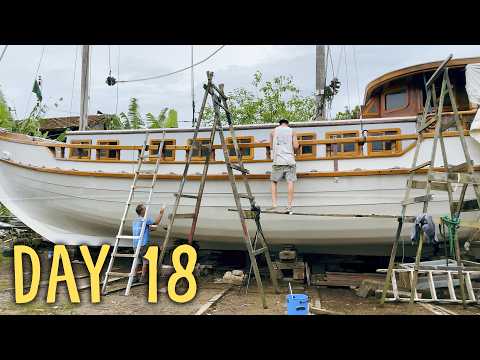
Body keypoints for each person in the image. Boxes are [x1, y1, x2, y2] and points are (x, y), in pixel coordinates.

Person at [269, 119, 299, 212]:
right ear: (287, 124)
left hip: (278, 160)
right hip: (289, 160)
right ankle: (289, 205)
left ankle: (274, 204)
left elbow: (271, 147)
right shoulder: (292, 131)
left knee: (274, 181)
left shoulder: (273, 131)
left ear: (280, 124)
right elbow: (296, 146)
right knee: (290, 181)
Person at [132, 203, 165, 283]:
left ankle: (134, 278)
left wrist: (150, 229)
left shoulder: (135, 220)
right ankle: (143, 278)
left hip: (135, 244)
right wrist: (161, 213)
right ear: (142, 211)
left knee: (137, 261)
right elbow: (156, 223)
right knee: (145, 261)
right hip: (143, 244)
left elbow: (143, 229)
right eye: (144, 208)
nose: (146, 209)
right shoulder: (145, 219)